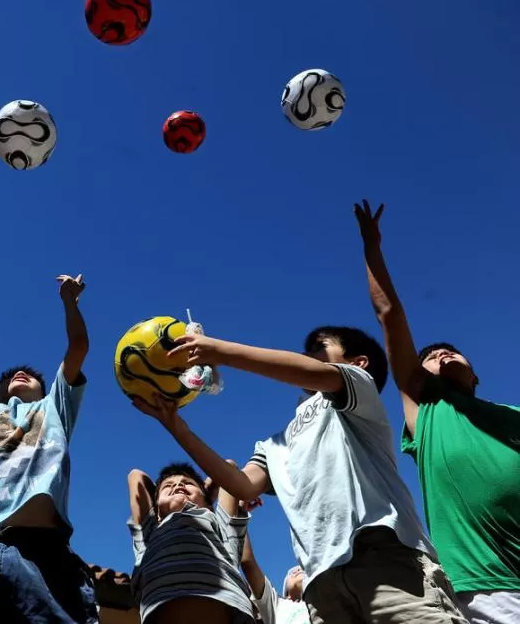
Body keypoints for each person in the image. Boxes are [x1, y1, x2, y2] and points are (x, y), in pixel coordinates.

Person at [133, 325, 467, 623]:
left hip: (385, 556)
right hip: (321, 584)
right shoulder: (274, 444)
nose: (306, 357)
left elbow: (317, 375)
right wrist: (175, 426)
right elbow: (242, 485)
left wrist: (217, 350)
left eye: (319, 351)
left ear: (358, 363)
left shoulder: (356, 394)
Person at [354, 199, 520, 623]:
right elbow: (389, 314)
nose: (442, 353)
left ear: (476, 376)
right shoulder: (427, 412)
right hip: (489, 586)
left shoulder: (511, 415)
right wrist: (372, 248)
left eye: (452, 351)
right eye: (430, 356)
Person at [0, 276, 95, 624]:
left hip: (44, 553)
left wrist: (70, 301)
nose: (22, 374)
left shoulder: (55, 408)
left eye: (31, 375)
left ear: (45, 388)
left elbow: (79, 347)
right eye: (14, 375)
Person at [127, 457, 255, 624]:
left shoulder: (218, 526)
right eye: (169, 485)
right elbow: (135, 477)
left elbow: (228, 467)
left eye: (187, 483)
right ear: (156, 507)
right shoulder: (150, 532)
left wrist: (205, 495)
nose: (178, 485)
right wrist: (194, 491)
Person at [240, 534, 310, 624]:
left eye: (301, 570)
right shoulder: (277, 607)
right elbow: (248, 561)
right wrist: (240, 525)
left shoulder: (326, 600)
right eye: (291, 574)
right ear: (288, 597)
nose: (297, 570)